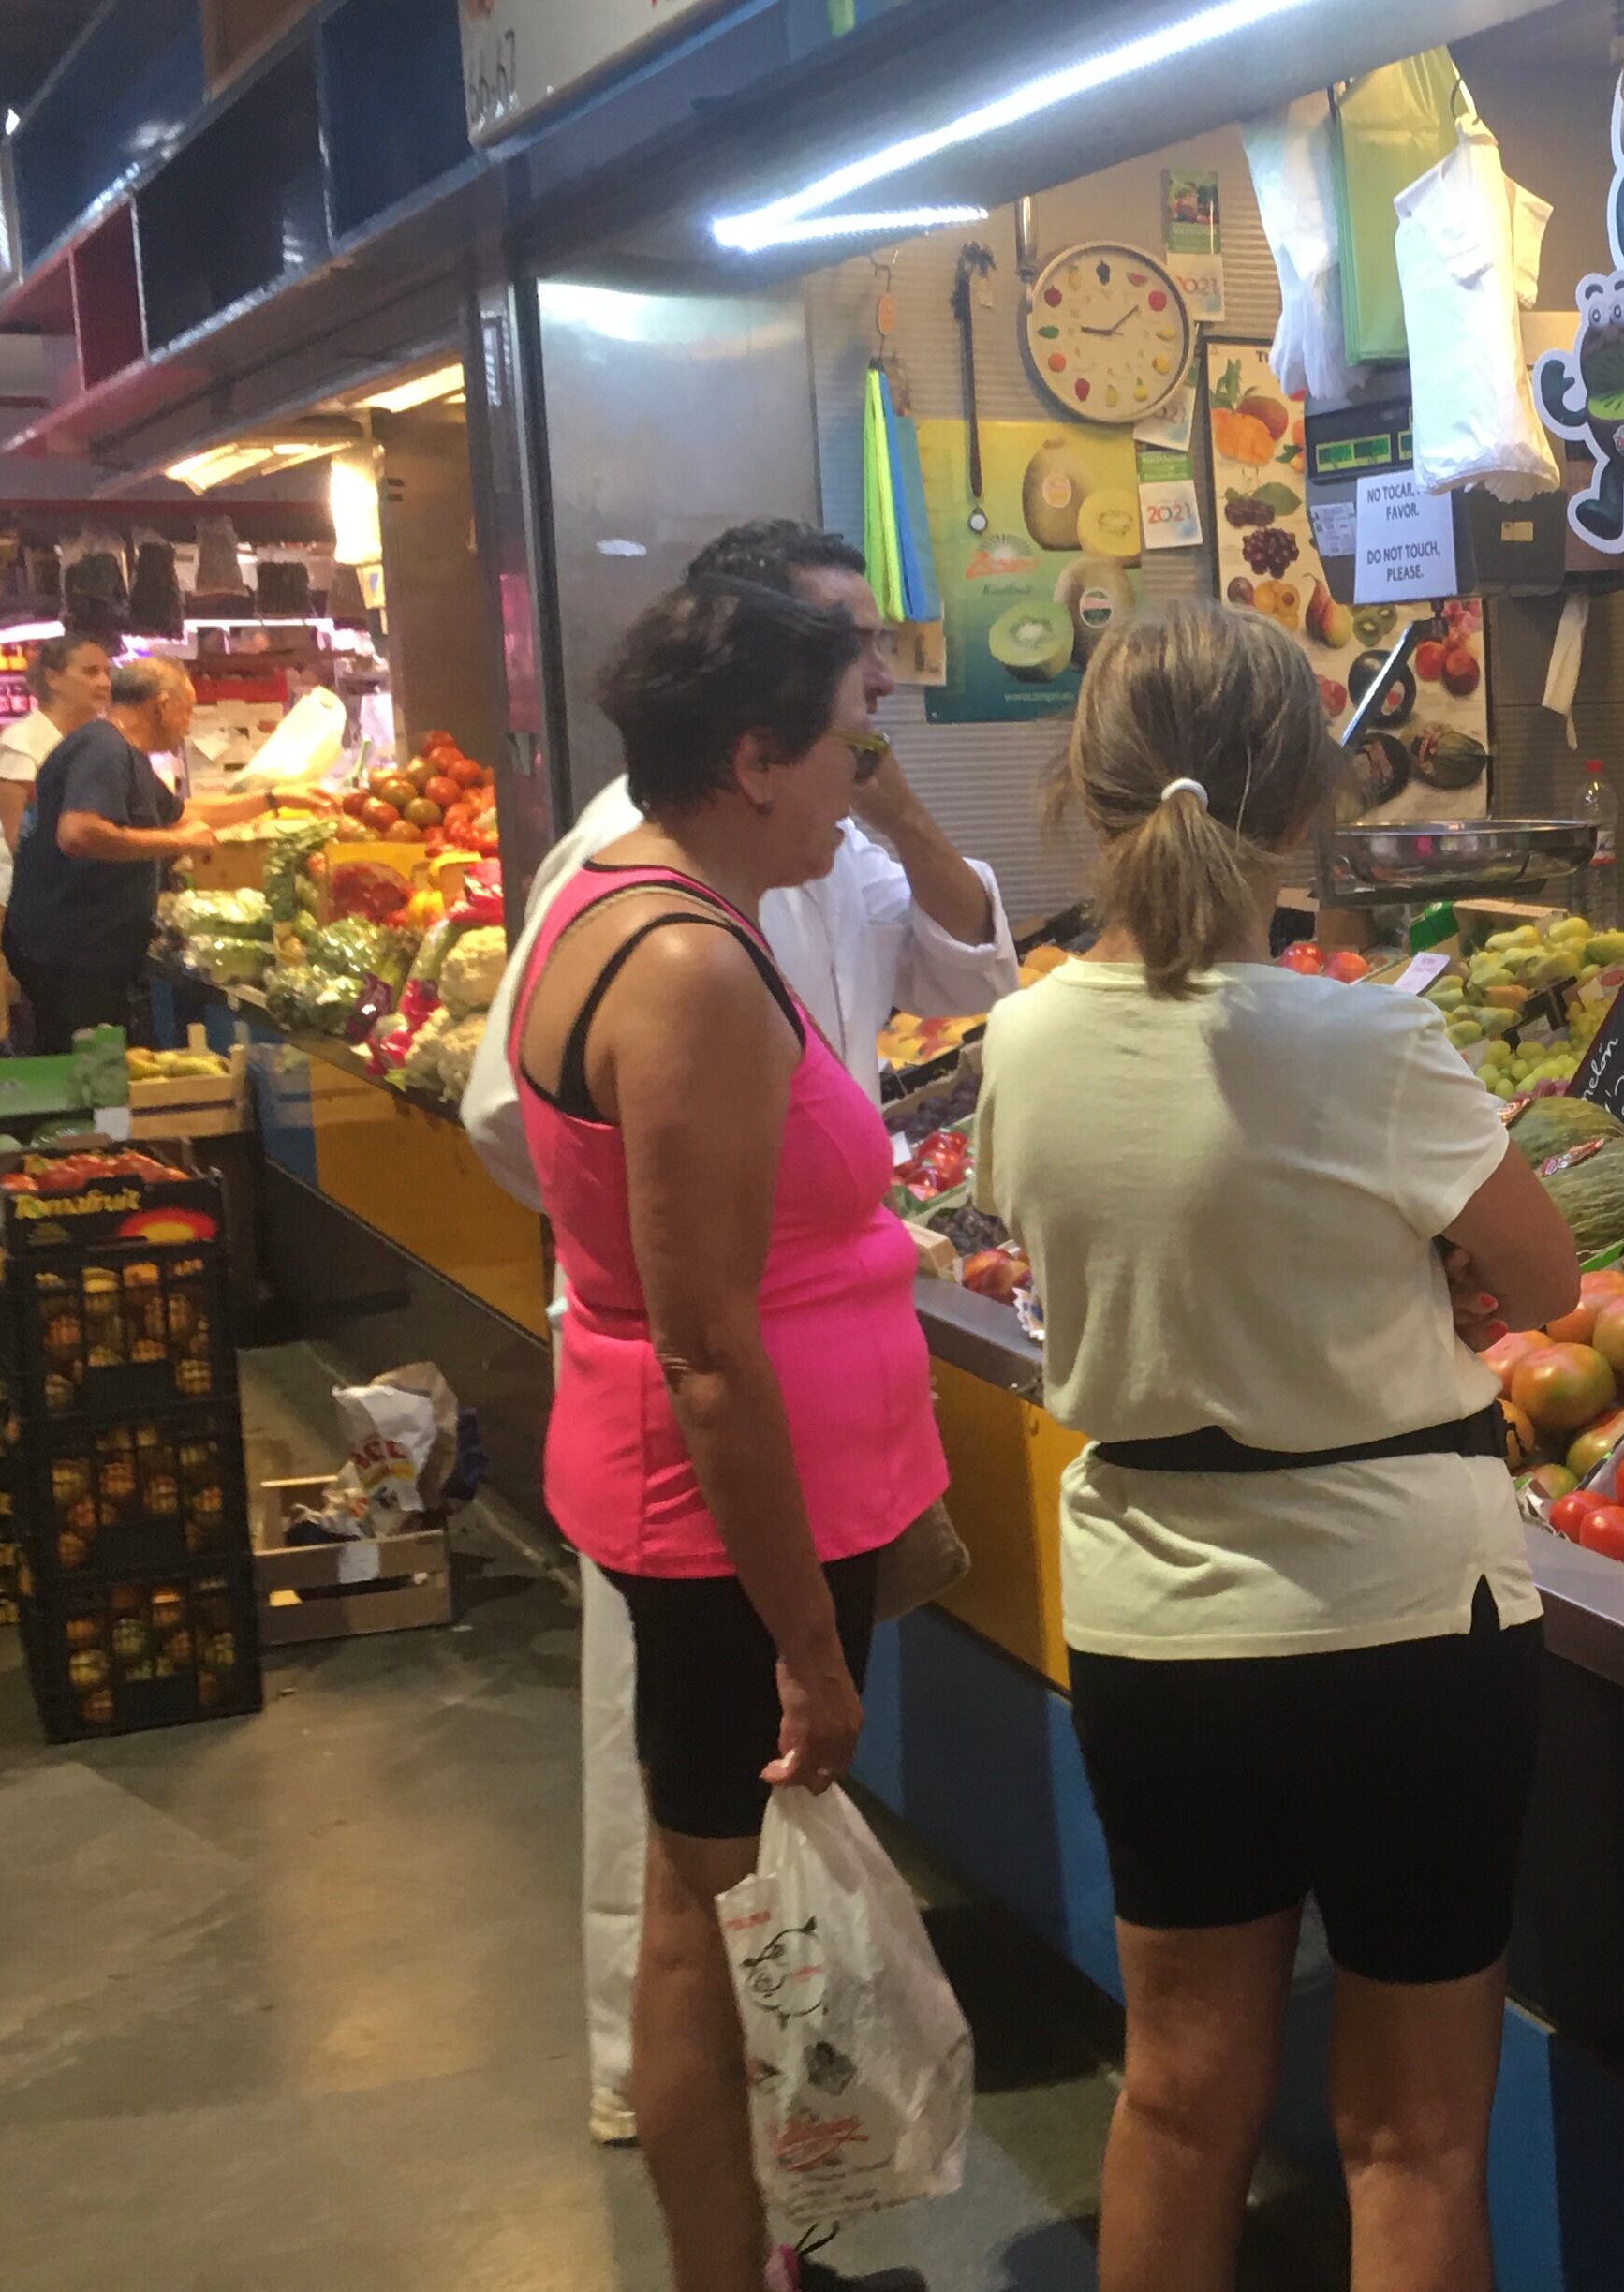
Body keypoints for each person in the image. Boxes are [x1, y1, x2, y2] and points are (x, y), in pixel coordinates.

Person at [974, 602, 1580, 2292]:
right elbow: (1549, 1273)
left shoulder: (1020, 1037)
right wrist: (1416, 1273)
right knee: (1410, 2138)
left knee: (1174, 2101)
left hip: (1157, 1621)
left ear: (1087, 797)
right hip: (1408, 1620)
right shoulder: (1368, 1037)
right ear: (1305, 806)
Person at [461, 514, 1011, 2151]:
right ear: (756, 737)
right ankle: (704, 2144)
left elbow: (972, 953)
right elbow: (525, 1123)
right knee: (703, 1871)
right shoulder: (662, 927)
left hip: (756, 1431)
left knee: (731, 1864)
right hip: (711, 1449)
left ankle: (765, 2176)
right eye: (852, 693)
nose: (875, 725)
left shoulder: (786, 851)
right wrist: (660, 1245)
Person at [3, 658, 262, 1051]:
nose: (188, 724)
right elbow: (78, 832)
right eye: (188, 710)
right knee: (90, 1074)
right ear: (161, 705)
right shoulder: (103, 748)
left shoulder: (124, 753)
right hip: (74, 955)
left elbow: (181, 814)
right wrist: (180, 843)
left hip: (86, 951)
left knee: (101, 1072)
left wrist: (272, 799)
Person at [0, 631, 112, 909]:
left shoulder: (96, 739)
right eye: (91, 672)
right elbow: (20, 839)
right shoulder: (21, 742)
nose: (104, 682)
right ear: (53, 678)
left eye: (106, 672)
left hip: (78, 893)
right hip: (24, 899)